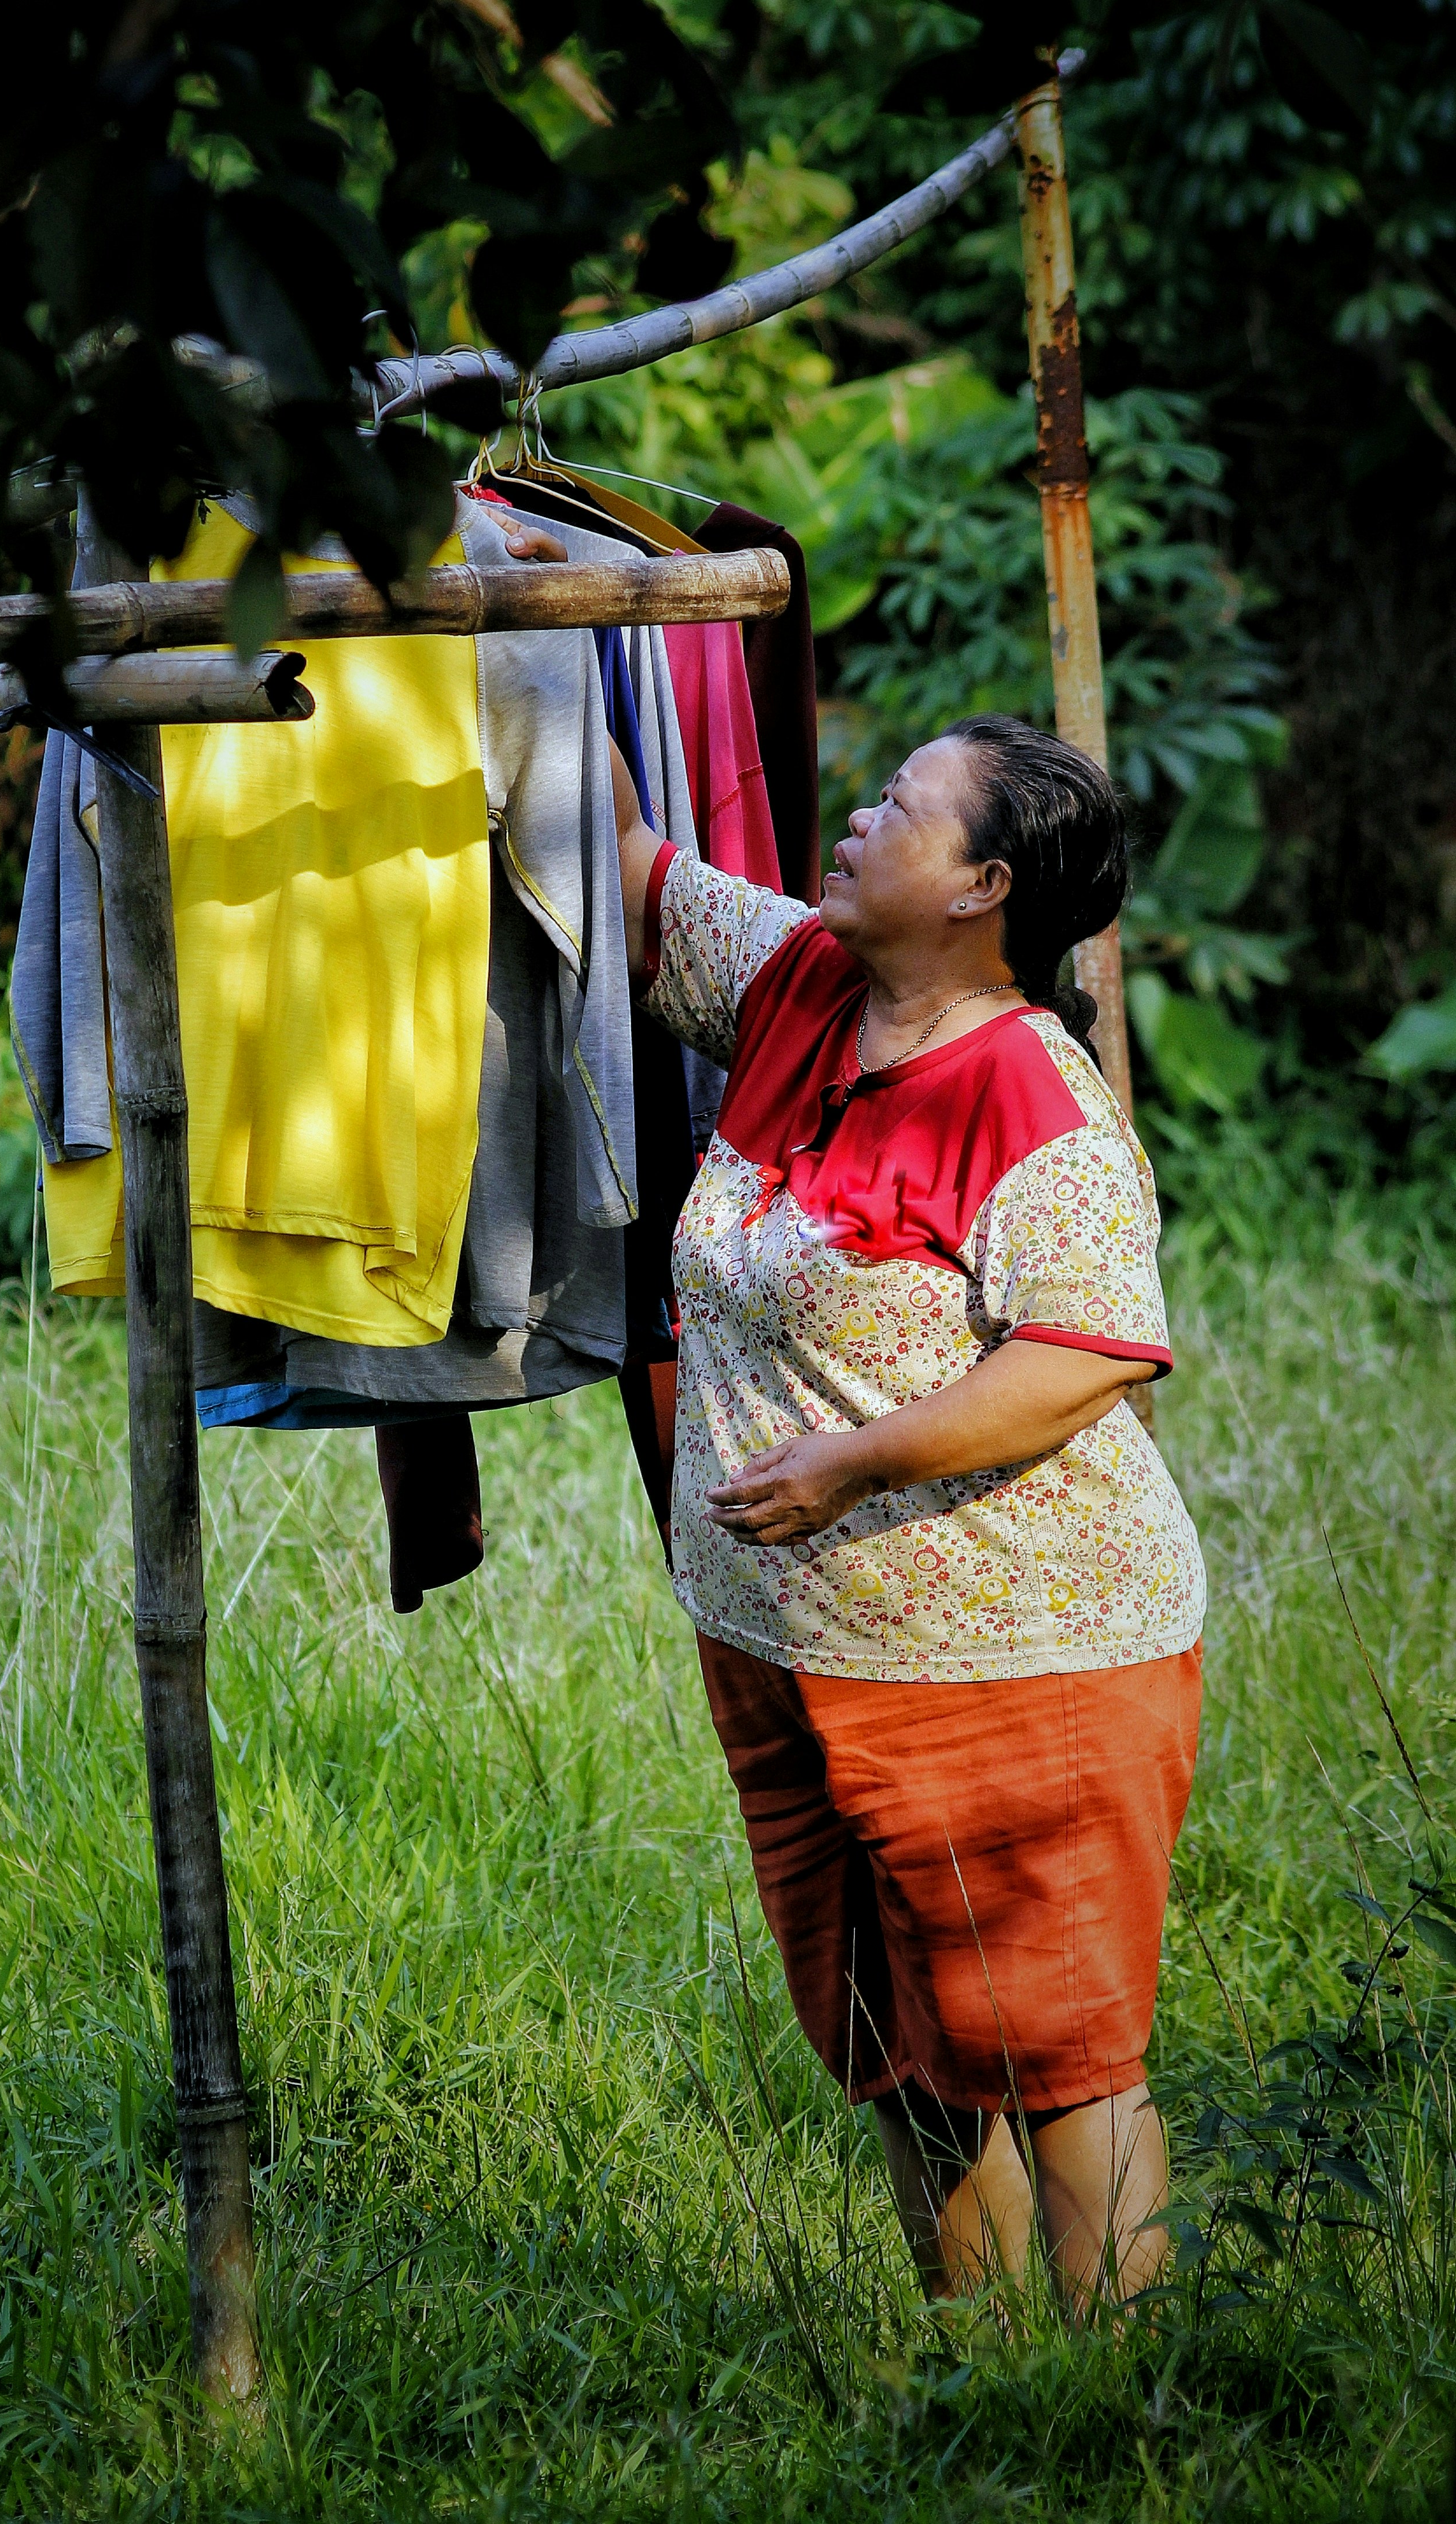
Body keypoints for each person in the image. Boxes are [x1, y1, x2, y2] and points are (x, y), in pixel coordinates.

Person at [610, 713, 1206, 2314]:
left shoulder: (1031, 1095)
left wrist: (850, 1462)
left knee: (1057, 2050)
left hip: (1022, 1655)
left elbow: (1081, 1354)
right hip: (794, 1645)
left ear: (982, 885)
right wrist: (522, 610)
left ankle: (1122, 2400)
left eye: (900, 806)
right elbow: (615, 861)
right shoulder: (801, 977)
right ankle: (982, 2386)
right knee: (897, 2039)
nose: (860, 814)